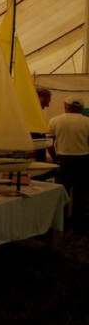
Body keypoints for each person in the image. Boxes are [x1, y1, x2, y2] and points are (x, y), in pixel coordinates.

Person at [47, 95, 89, 230]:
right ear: (81, 108)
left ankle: (62, 221)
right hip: (83, 159)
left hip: (64, 159)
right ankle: (78, 222)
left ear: (66, 106)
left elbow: (49, 143)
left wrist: (55, 157)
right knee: (80, 192)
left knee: (62, 191)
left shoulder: (54, 121)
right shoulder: (87, 122)